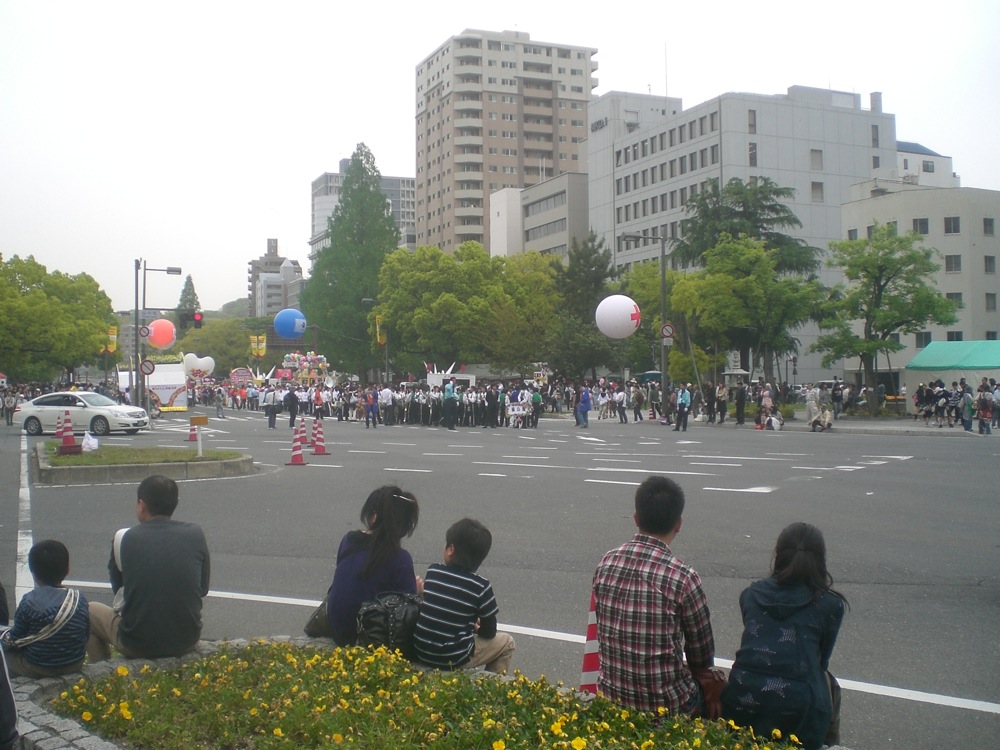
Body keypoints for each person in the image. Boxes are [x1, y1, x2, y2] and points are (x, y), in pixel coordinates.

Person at [592, 476, 719, 716]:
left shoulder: (606, 562)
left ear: (636, 518)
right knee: (717, 688)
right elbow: (702, 658)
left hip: (611, 698)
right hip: (669, 708)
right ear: (678, 523)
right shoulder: (683, 577)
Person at [723, 523, 847, 750]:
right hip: (801, 709)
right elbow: (821, 662)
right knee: (831, 685)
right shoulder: (830, 605)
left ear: (778, 556)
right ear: (820, 561)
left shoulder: (751, 595)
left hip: (740, 698)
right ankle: (828, 743)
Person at [87, 475, 210, 660]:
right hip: (187, 640)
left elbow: (120, 590)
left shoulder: (126, 538)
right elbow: (203, 588)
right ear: (175, 503)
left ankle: (104, 671)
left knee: (88, 611)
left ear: (141, 505)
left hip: (137, 644)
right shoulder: (195, 534)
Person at [413, 518, 515, 674]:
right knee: (507, 642)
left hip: (422, 650)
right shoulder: (480, 586)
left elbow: (441, 608)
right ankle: (492, 690)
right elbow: (489, 632)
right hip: (453, 657)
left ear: (450, 549)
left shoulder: (434, 571)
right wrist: (475, 627)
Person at [326, 486, 420, 647]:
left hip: (337, 629)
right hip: (368, 636)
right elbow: (405, 612)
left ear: (372, 517)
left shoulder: (348, 540)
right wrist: (417, 592)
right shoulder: (400, 558)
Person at [1, 540, 89, 677]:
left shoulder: (29, 602)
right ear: (67, 570)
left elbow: (15, 639)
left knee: (4, 654)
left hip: (38, 666)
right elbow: (86, 633)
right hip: (74, 663)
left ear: (33, 574)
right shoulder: (78, 599)